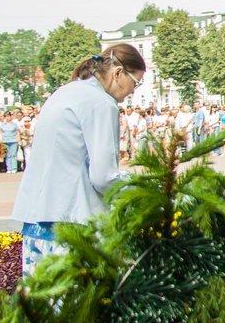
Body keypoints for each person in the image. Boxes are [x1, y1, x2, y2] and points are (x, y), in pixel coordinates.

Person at [11, 43, 146, 276]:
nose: (133, 91)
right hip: (73, 222)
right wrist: (146, 188)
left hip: (36, 220)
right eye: (136, 82)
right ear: (118, 73)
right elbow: (103, 178)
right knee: (77, 308)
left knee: (40, 305)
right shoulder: (102, 103)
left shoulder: (66, 91)